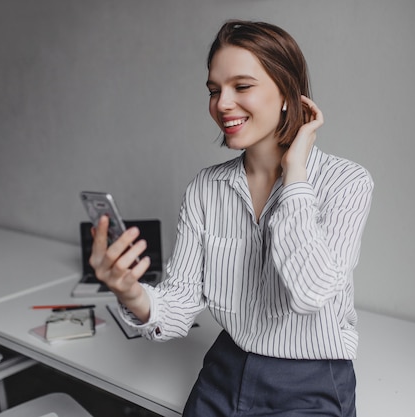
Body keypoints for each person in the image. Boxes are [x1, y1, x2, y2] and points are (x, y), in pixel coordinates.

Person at [90, 19, 374, 417]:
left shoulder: (347, 182)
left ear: (288, 94)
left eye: (241, 87)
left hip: (310, 381)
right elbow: (180, 303)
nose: (222, 104)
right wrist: (129, 292)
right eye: (213, 90)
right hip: (225, 367)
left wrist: (295, 174)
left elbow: (312, 293)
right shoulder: (204, 189)